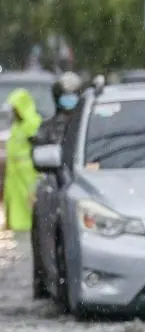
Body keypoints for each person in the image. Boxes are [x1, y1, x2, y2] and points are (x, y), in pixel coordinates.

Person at [3, 87, 42, 231]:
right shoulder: (16, 127)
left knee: (30, 211)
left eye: (15, 109)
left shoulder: (33, 124)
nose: (13, 113)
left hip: (29, 177)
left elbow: (39, 150)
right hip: (16, 178)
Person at [32, 71, 82, 146]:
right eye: (65, 94)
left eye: (73, 94)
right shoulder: (48, 126)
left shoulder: (86, 122)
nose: (69, 98)